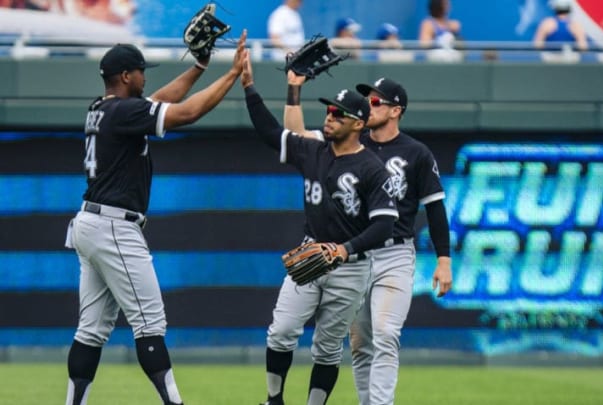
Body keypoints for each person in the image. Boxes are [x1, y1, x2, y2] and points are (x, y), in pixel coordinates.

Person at [63, 31, 248, 405]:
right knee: (150, 323)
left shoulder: (102, 108)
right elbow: (189, 112)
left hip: (90, 223)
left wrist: (199, 67)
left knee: (91, 330)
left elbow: (161, 100)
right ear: (127, 76)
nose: (145, 78)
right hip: (114, 225)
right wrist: (231, 75)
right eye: (141, 72)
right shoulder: (125, 112)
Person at [240, 50, 399, 405]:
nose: (329, 117)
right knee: (281, 331)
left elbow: (385, 226)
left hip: (350, 266)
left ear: (358, 124)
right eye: (328, 110)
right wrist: (250, 85)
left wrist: (343, 250)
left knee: (327, 348)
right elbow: (269, 132)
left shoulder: (372, 168)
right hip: (311, 254)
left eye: (338, 114)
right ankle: (274, 400)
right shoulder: (312, 150)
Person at [283, 72, 453, 405]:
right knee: (361, 342)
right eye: (367, 100)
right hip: (356, 257)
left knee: (387, 334)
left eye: (377, 101)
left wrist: (444, 259)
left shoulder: (416, 152)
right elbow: (296, 135)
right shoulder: (346, 141)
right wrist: (294, 89)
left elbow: (434, 207)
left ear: (396, 110)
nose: (369, 106)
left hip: (394, 254)